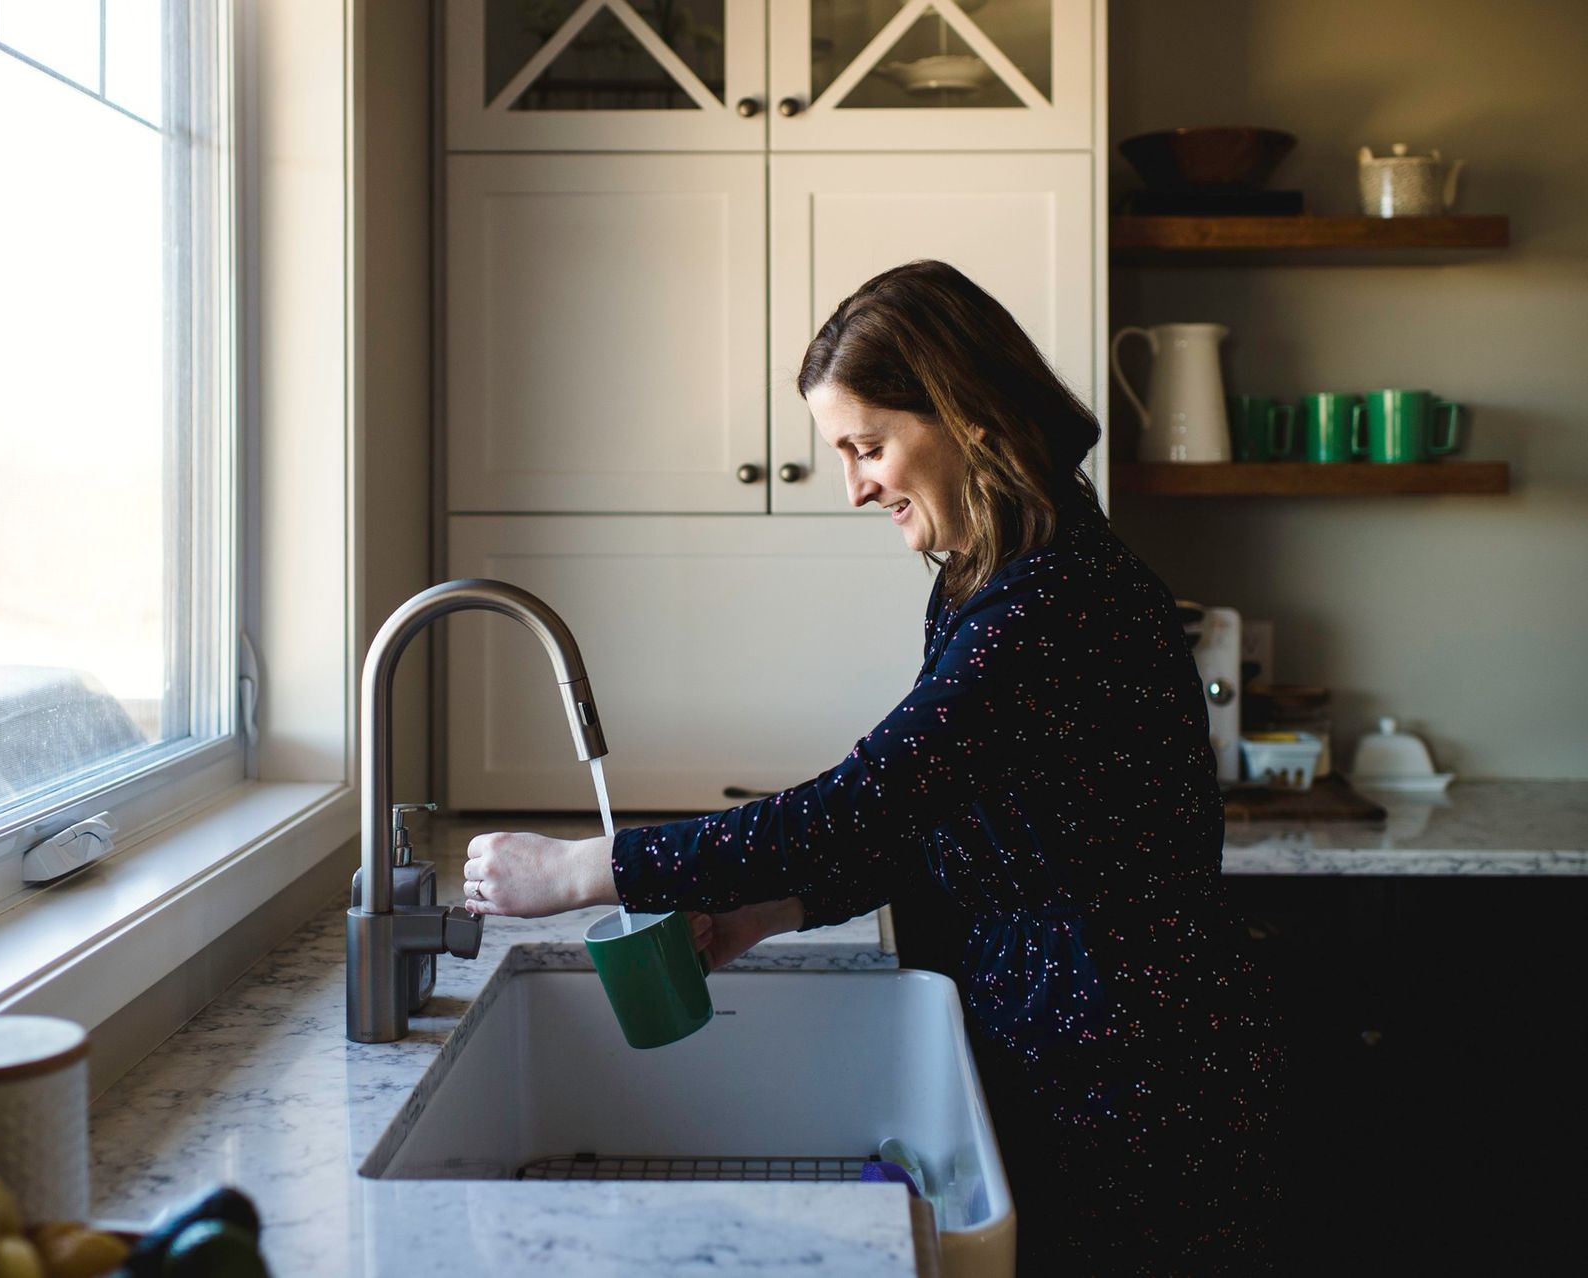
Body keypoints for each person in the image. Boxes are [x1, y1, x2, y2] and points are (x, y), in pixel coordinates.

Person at [459, 259, 1286, 1274]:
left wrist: (585, 869)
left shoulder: (1051, 605)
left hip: (1131, 1061)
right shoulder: (986, 578)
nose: (853, 484)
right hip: (1065, 1027)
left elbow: (857, 804)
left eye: (868, 445)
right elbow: (929, 822)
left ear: (966, 415)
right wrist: (773, 914)